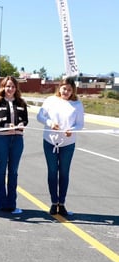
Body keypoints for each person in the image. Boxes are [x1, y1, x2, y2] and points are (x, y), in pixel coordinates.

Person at [37, 77, 84, 216]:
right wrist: (50, 123)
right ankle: (53, 202)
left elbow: (80, 124)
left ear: (73, 90)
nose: (66, 92)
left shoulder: (77, 105)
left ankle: (61, 203)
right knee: (52, 172)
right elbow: (40, 116)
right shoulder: (51, 100)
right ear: (60, 88)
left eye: (69, 90)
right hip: (50, 142)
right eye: (64, 88)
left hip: (68, 144)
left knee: (64, 173)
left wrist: (72, 129)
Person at [0, 76, 28, 214]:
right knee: (1, 171)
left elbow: (26, 120)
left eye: (12, 86)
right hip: (1, 140)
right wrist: (6, 125)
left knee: (14, 171)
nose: (10, 89)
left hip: (17, 140)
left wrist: (22, 124)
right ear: (3, 87)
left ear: (16, 88)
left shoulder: (22, 102)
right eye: (7, 86)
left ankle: (12, 203)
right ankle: (2, 203)